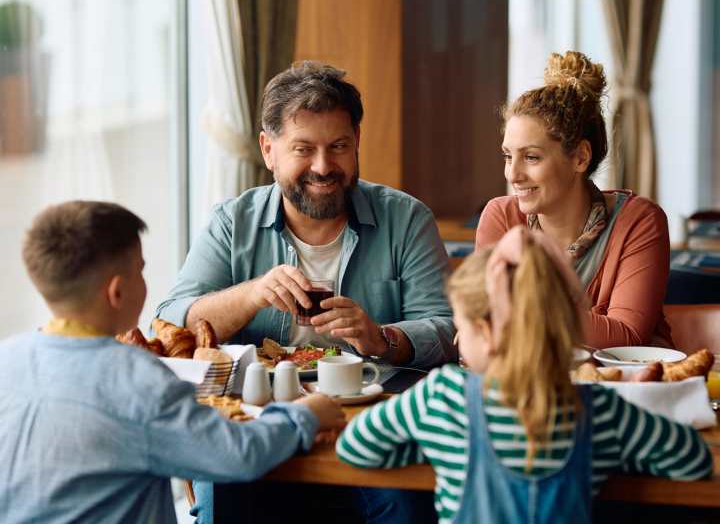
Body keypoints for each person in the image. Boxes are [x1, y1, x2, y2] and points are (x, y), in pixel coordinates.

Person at [337, 226, 712, 523]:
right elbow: (693, 459)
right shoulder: (602, 411)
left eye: (461, 326)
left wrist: (429, 443)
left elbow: (354, 447)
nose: (455, 337)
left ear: (485, 332)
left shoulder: (441, 398)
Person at [0, 200, 345, 524]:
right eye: (141, 271)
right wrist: (307, 414)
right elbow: (237, 455)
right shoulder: (137, 379)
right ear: (117, 292)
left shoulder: (7, 360)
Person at [156, 60, 455, 368]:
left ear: (357, 142)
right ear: (268, 150)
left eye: (338, 146)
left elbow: (448, 332)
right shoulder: (232, 223)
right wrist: (252, 295)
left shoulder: (406, 220)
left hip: (378, 405)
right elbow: (170, 326)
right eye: (303, 149)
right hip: (261, 406)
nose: (323, 167)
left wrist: (381, 338)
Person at [475, 50, 672, 348]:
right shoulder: (500, 217)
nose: (512, 175)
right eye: (507, 156)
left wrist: (516, 307)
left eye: (531, 157)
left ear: (580, 157)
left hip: (622, 389)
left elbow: (626, 338)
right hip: (529, 390)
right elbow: (484, 323)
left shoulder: (639, 221)